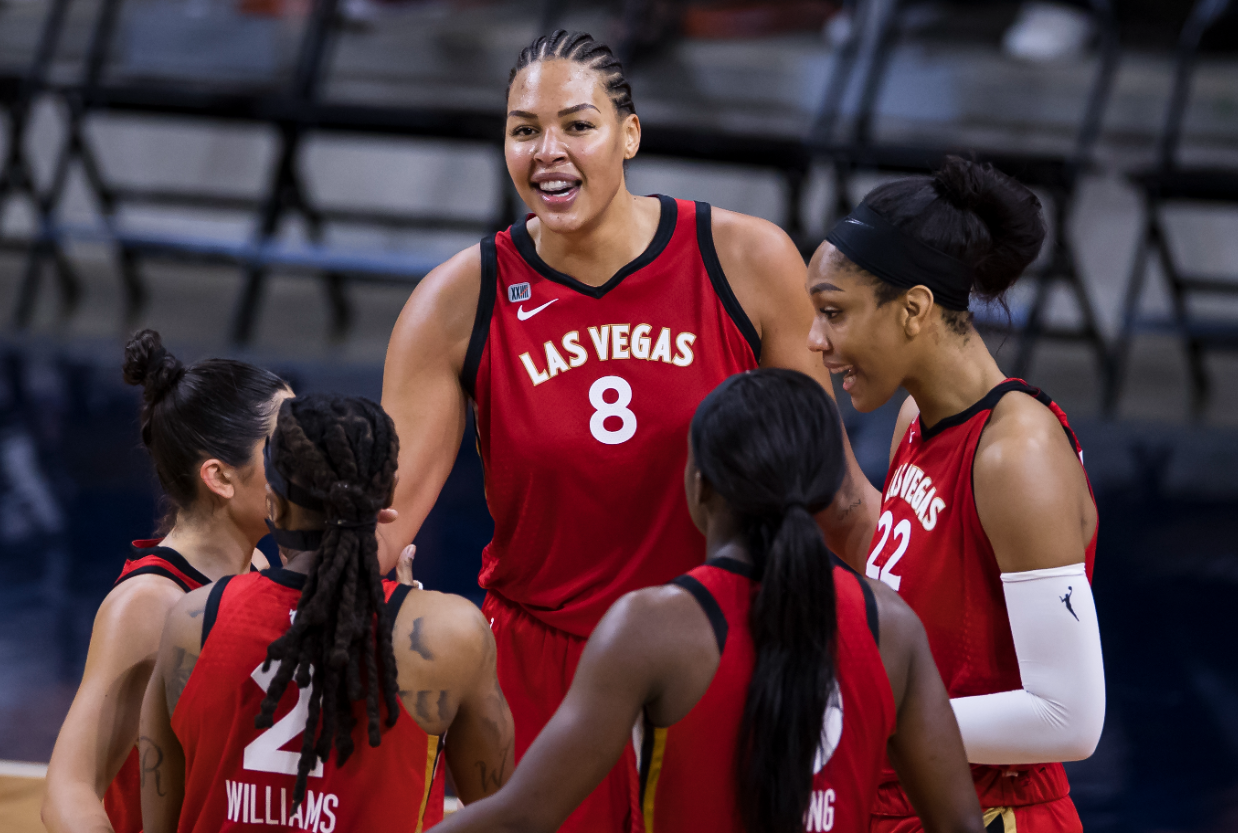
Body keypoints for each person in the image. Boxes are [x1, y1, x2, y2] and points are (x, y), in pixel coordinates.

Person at [380, 30, 876, 831]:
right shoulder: (456, 300)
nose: (548, 151)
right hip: (541, 669)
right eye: (523, 129)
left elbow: (836, 494)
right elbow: (382, 521)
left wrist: (901, 639)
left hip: (720, 649)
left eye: (578, 125)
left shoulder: (745, 258)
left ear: (630, 133)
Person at [428, 369, 984, 833]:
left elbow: (522, 817)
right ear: (825, 489)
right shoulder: (891, 623)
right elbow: (959, 826)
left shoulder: (653, 629)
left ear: (700, 483)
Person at [806, 157, 1105, 832]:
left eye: (833, 313)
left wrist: (861, 715)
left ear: (913, 308)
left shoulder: (1017, 455)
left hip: (994, 812)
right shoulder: (917, 421)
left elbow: (1070, 717)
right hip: (902, 798)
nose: (813, 339)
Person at [138, 393, 515, 833]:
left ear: (273, 505)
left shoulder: (193, 620)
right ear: (386, 503)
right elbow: (505, 817)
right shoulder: (448, 635)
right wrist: (412, 616)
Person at [42, 330, 291, 833]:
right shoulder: (147, 602)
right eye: (285, 447)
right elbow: (69, 791)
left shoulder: (261, 569)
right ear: (220, 477)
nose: (307, 462)